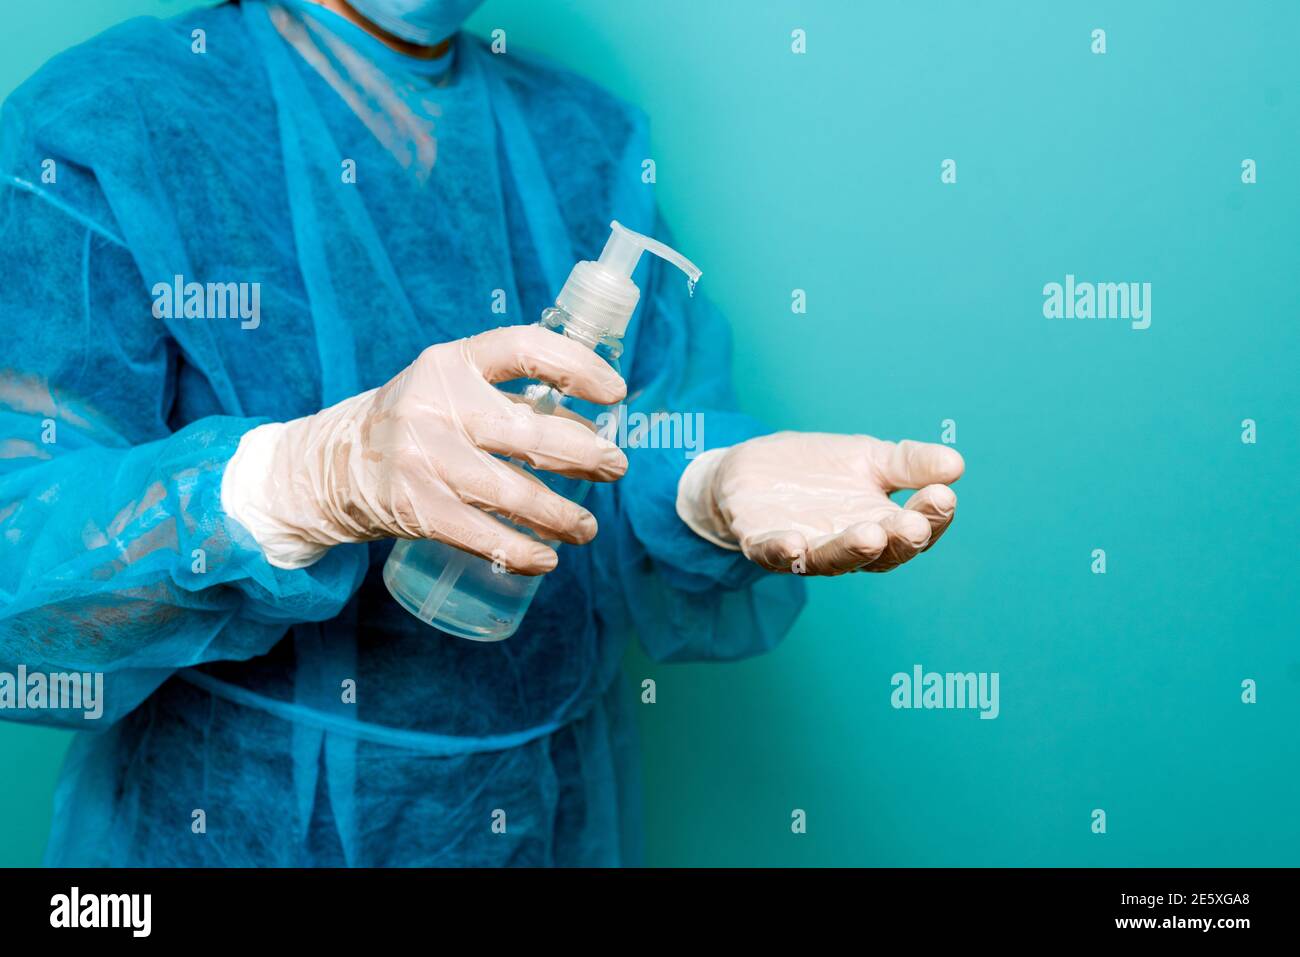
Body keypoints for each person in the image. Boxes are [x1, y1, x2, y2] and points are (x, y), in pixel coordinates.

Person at [0, 0, 964, 866]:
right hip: (215, 831)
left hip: (545, 820)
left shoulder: (583, 140)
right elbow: (19, 566)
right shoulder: (113, 116)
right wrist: (307, 478)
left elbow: (618, 448)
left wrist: (703, 484)